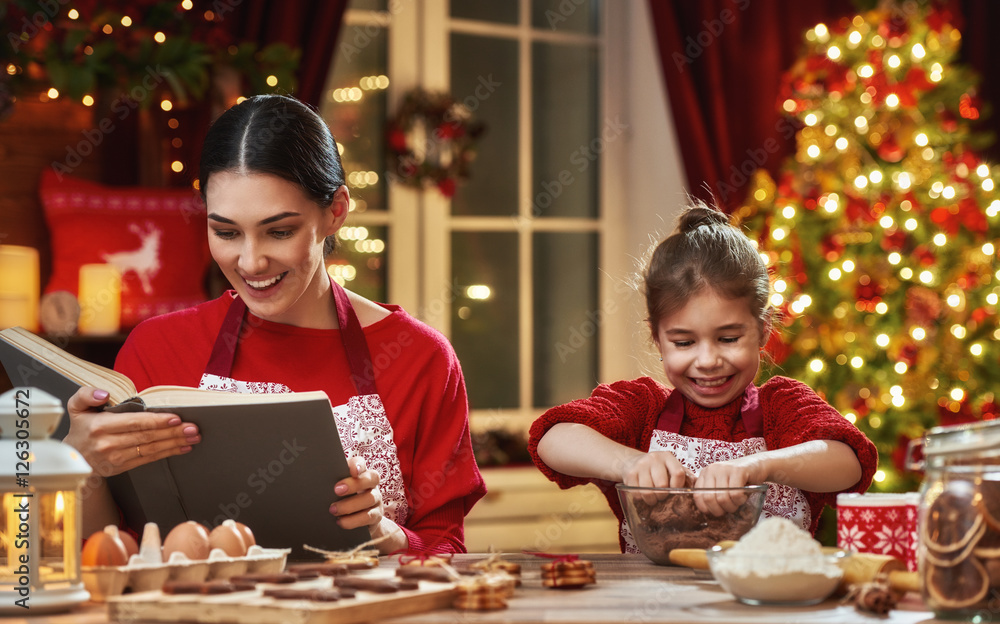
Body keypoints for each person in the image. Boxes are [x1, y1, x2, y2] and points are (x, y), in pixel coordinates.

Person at [63, 94, 486, 554]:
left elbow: (446, 550)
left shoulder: (419, 357)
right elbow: (108, 549)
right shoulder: (157, 347)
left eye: (279, 231)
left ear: (335, 211)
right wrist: (80, 466)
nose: (250, 261)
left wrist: (383, 531)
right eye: (225, 232)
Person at [528, 201, 878, 551]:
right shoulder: (642, 407)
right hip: (649, 603)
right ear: (657, 338)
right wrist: (630, 462)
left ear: (763, 330)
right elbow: (553, 439)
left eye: (728, 339)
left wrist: (757, 467)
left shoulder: (782, 406)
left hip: (770, 603)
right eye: (684, 342)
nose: (708, 360)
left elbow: (848, 462)